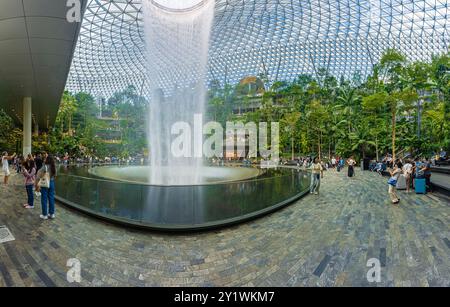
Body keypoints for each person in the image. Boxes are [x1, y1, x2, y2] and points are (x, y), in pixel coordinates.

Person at [35, 155, 57, 220]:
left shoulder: (45, 167)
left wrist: (36, 184)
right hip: (52, 183)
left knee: (44, 198)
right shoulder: (54, 167)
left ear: (47, 160)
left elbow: (39, 175)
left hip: (45, 183)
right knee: (51, 198)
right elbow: (55, 175)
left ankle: (45, 215)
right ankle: (51, 214)